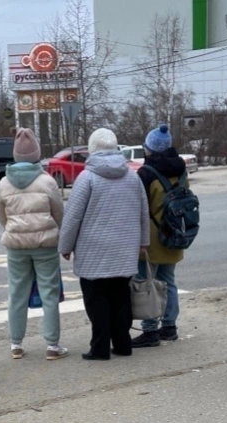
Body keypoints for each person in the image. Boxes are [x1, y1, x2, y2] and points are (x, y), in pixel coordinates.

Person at [58, 128, 149, 361]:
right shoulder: (132, 176)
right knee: (121, 297)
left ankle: (99, 348)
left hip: (93, 250)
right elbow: (143, 211)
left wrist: (65, 246)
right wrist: (143, 242)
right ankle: (123, 344)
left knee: (96, 300)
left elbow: (73, 216)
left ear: (92, 149)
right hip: (125, 249)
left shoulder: (87, 178)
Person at [0, 128, 68, 361]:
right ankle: (52, 346)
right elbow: (59, 212)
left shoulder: (4, 183)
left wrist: (13, 230)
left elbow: (2, 214)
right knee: (49, 292)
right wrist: (61, 236)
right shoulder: (47, 181)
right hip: (45, 245)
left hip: (16, 245)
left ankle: (16, 344)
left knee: (17, 293)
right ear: (37, 153)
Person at [131, 124, 187, 348]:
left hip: (152, 238)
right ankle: (169, 327)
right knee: (168, 281)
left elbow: (139, 207)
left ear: (150, 149)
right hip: (175, 232)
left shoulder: (146, 174)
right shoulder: (181, 169)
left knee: (147, 283)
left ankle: (150, 329)